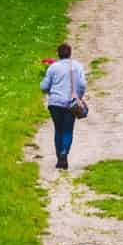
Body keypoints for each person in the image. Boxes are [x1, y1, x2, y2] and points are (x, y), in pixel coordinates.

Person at [40, 43, 88, 171]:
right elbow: (82, 84)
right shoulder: (77, 66)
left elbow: (44, 87)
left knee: (58, 129)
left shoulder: (53, 67)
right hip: (70, 103)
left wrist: (50, 90)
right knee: (67, 130)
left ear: (58, 53)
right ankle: (64, 153)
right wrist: (79, 96)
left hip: (54, 103)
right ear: (70, 53)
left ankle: (59, 159)